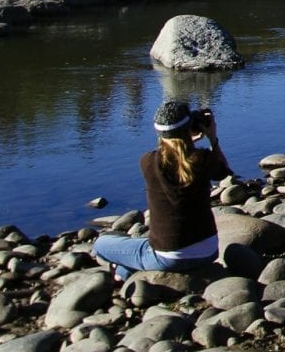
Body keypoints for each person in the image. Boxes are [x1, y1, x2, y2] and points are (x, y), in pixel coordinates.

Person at [93, 101, 230, 280]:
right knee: (134, 253)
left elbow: (171, 160)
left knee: (102, 243)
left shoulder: (148, 162)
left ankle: (123, 277)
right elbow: (222, 172)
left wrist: (184, 139)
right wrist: (212, 138)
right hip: (209, 251)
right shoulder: (203, 159)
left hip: (169, 257)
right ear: (190, 128)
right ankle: (124, 275)